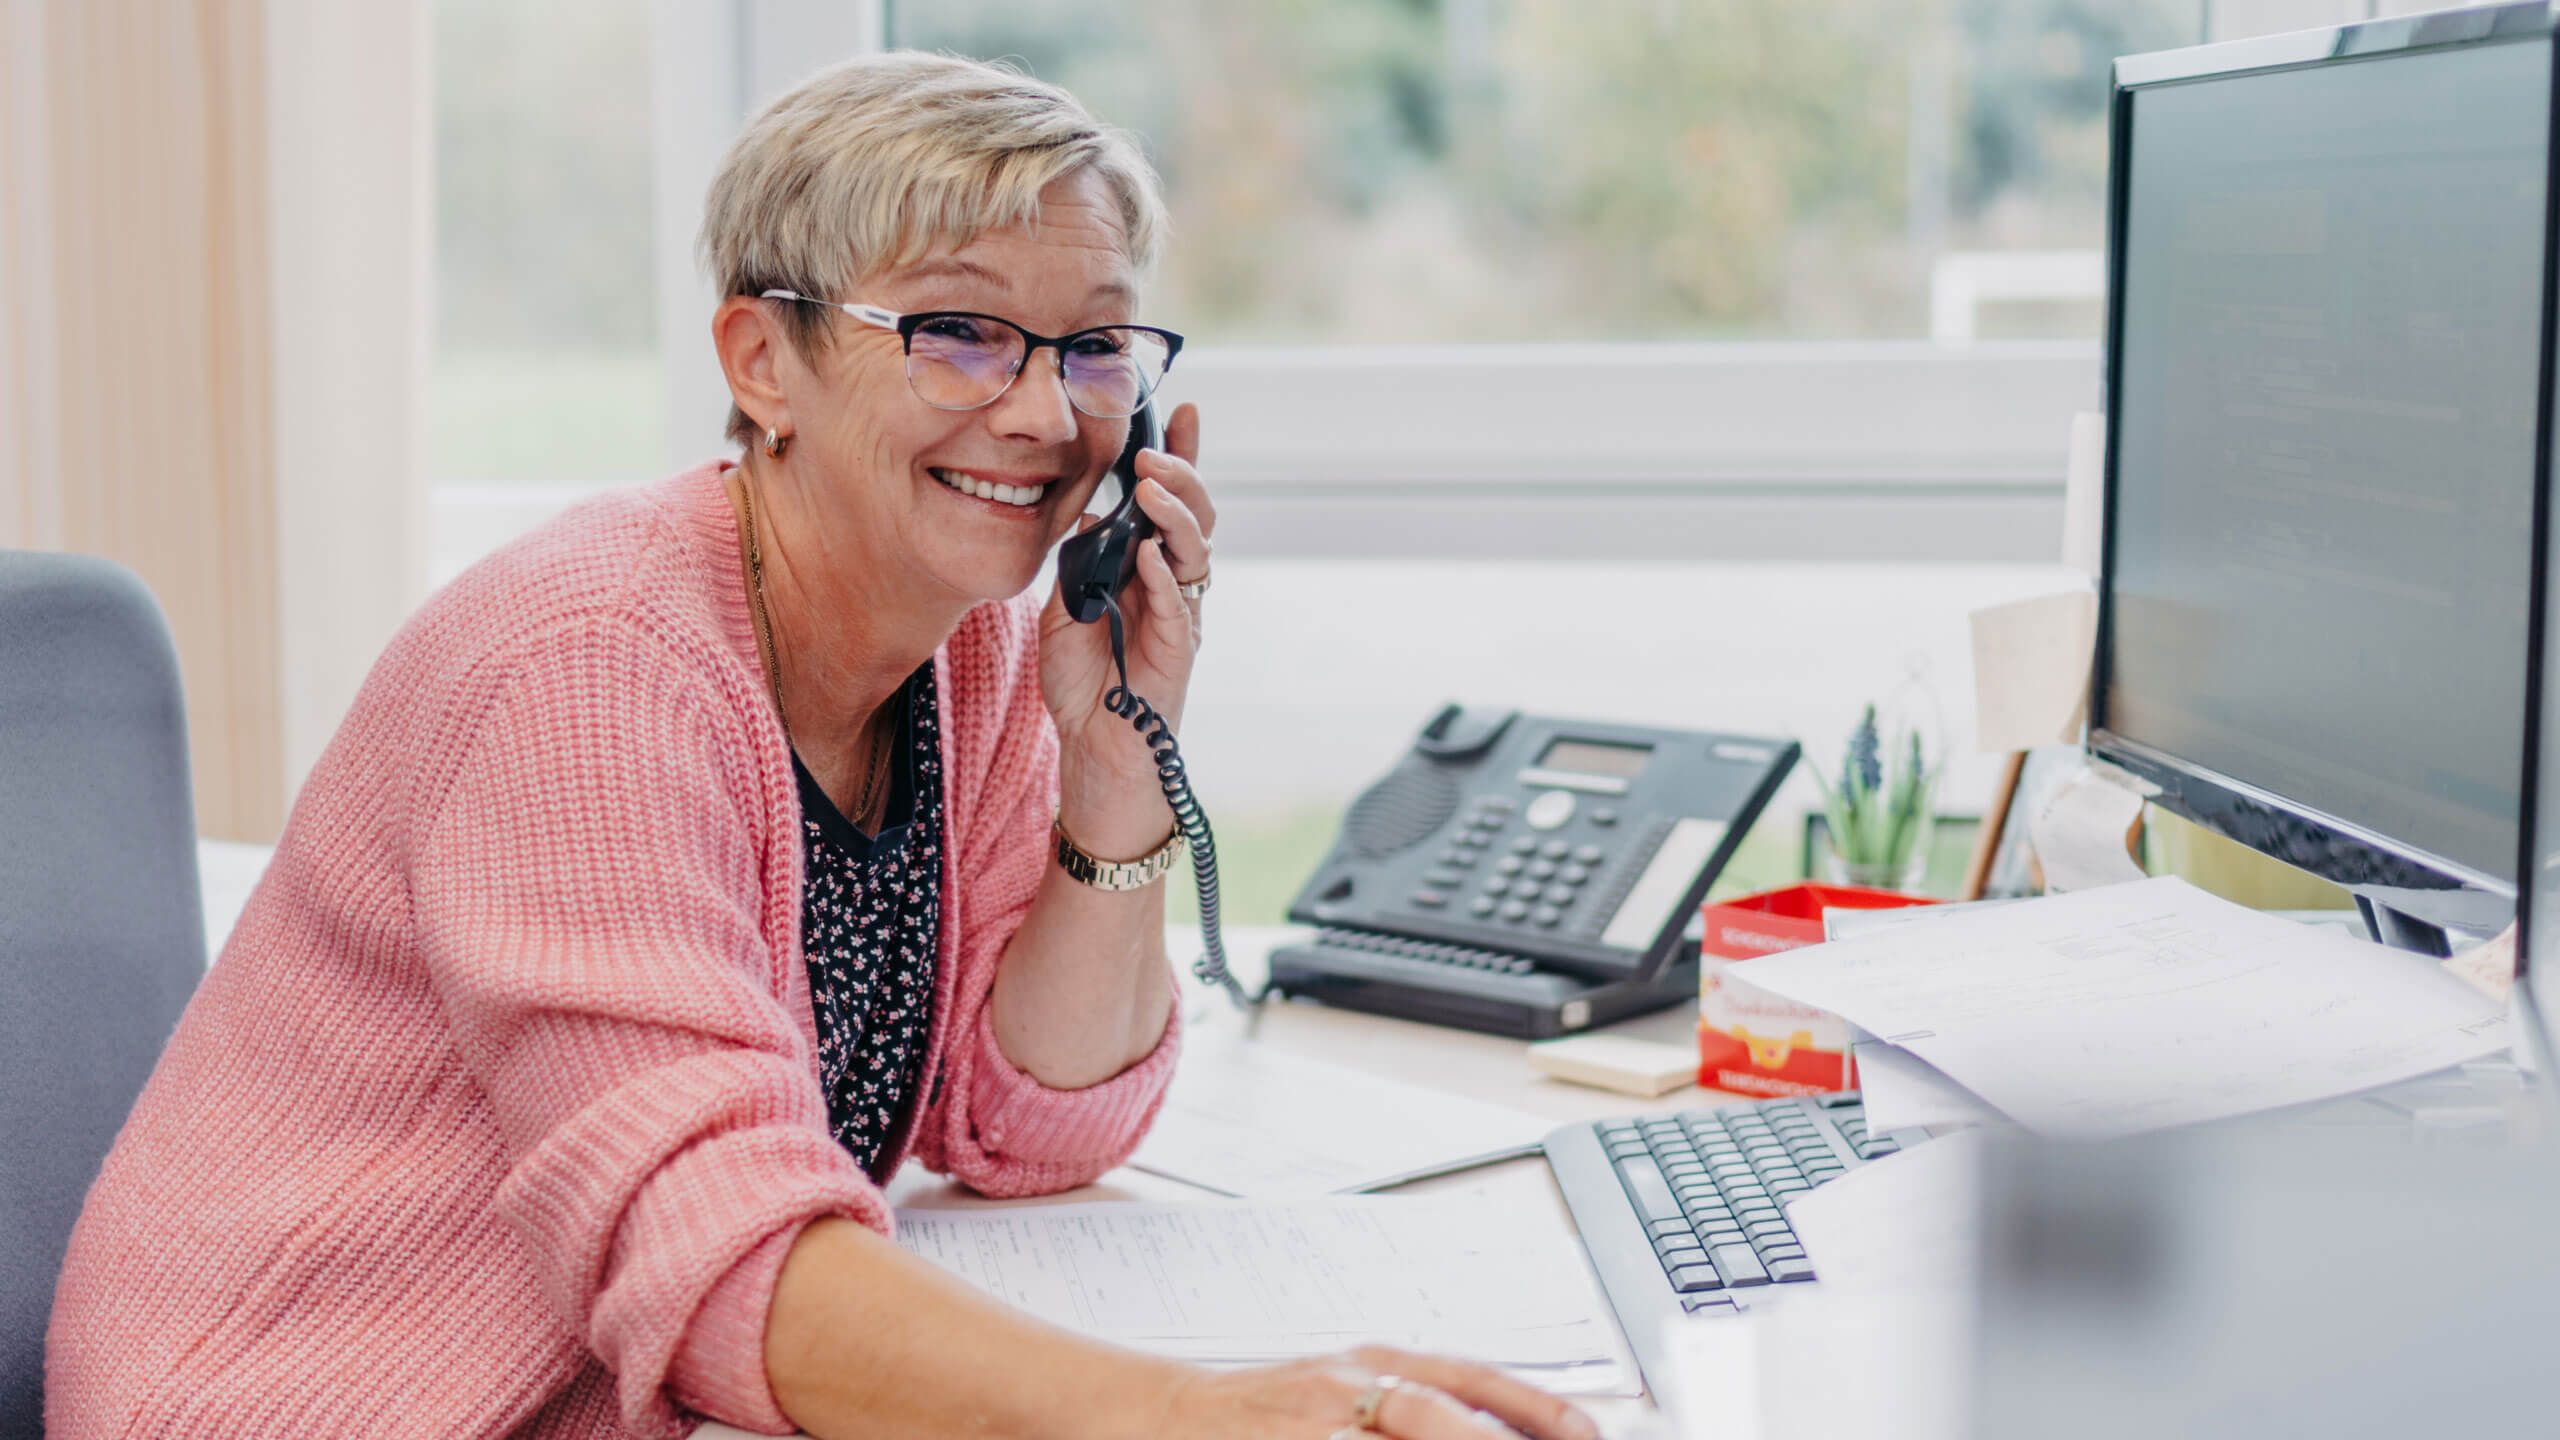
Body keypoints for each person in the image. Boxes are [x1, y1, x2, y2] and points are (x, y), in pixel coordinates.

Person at [46, 51, 1597, 1440]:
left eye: (1096, 348)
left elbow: (1034, 1125)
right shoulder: (587, 670)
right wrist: (1186, 1415)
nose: (1051, 418)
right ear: (761, 362)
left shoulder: (972, 651)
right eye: (964, 334)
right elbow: (710, 1246)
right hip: (299, 1402)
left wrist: (1116, 755)